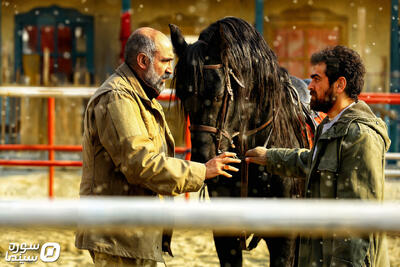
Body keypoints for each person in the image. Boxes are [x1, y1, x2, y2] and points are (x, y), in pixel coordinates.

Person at [75, 27, 240, 267]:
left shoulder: (140, 97)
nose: (171, 70)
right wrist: (203, 171)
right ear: (143, 61)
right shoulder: (118, 98)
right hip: (120, 240)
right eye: (165, 61)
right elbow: (139, 164)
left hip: (134, 236)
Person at [246, 45, 390, 267]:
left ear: (340, 84)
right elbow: (312, 162)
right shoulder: (332, 126)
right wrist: (269, 157)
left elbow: (359, 219)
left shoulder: (360, 136)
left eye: (316, 79)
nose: (309, 86)